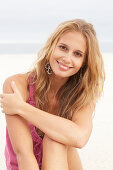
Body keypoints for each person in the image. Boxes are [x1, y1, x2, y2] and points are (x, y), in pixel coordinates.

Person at [0, 19, 105, 170]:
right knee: (55, 136)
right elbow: (23, 154)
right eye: (63, 47)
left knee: (54, 139)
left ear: (84, 62)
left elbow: (80, 138)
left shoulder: (82, 97)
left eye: (77, 54)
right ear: (51, 46)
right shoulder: (17, 85)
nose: (67, 58)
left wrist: (21, 108)